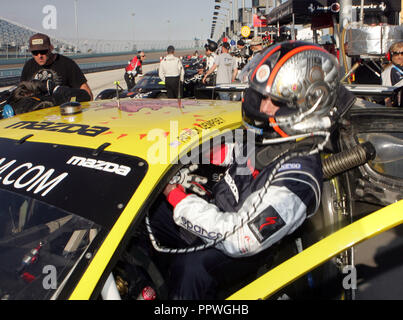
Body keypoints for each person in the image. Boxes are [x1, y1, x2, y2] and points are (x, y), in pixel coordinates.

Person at [147, 41, 354, 299]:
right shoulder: (272, 140)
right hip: (214, 216)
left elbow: (240, 238)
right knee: (148, 214)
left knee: (191, 269)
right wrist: (180, 156)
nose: (264, 108)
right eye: (263, 97)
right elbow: (234, 153)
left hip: (244, 250)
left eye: (276, 101)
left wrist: (178, 197)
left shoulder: (299, 177)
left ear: (306, 106)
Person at [20, 33, 93, 101]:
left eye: (43, 51)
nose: (40, 56)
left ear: (51, 48)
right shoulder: (29, 65)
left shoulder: (67, 64)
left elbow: (87, 93)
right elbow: (21, 92)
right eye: (35, 53)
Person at [381, 41, 403, 107]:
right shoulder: (389, 70)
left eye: (402, 54)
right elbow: (386, 94)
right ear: (390, 56)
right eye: (396, 54)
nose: (399, 57)